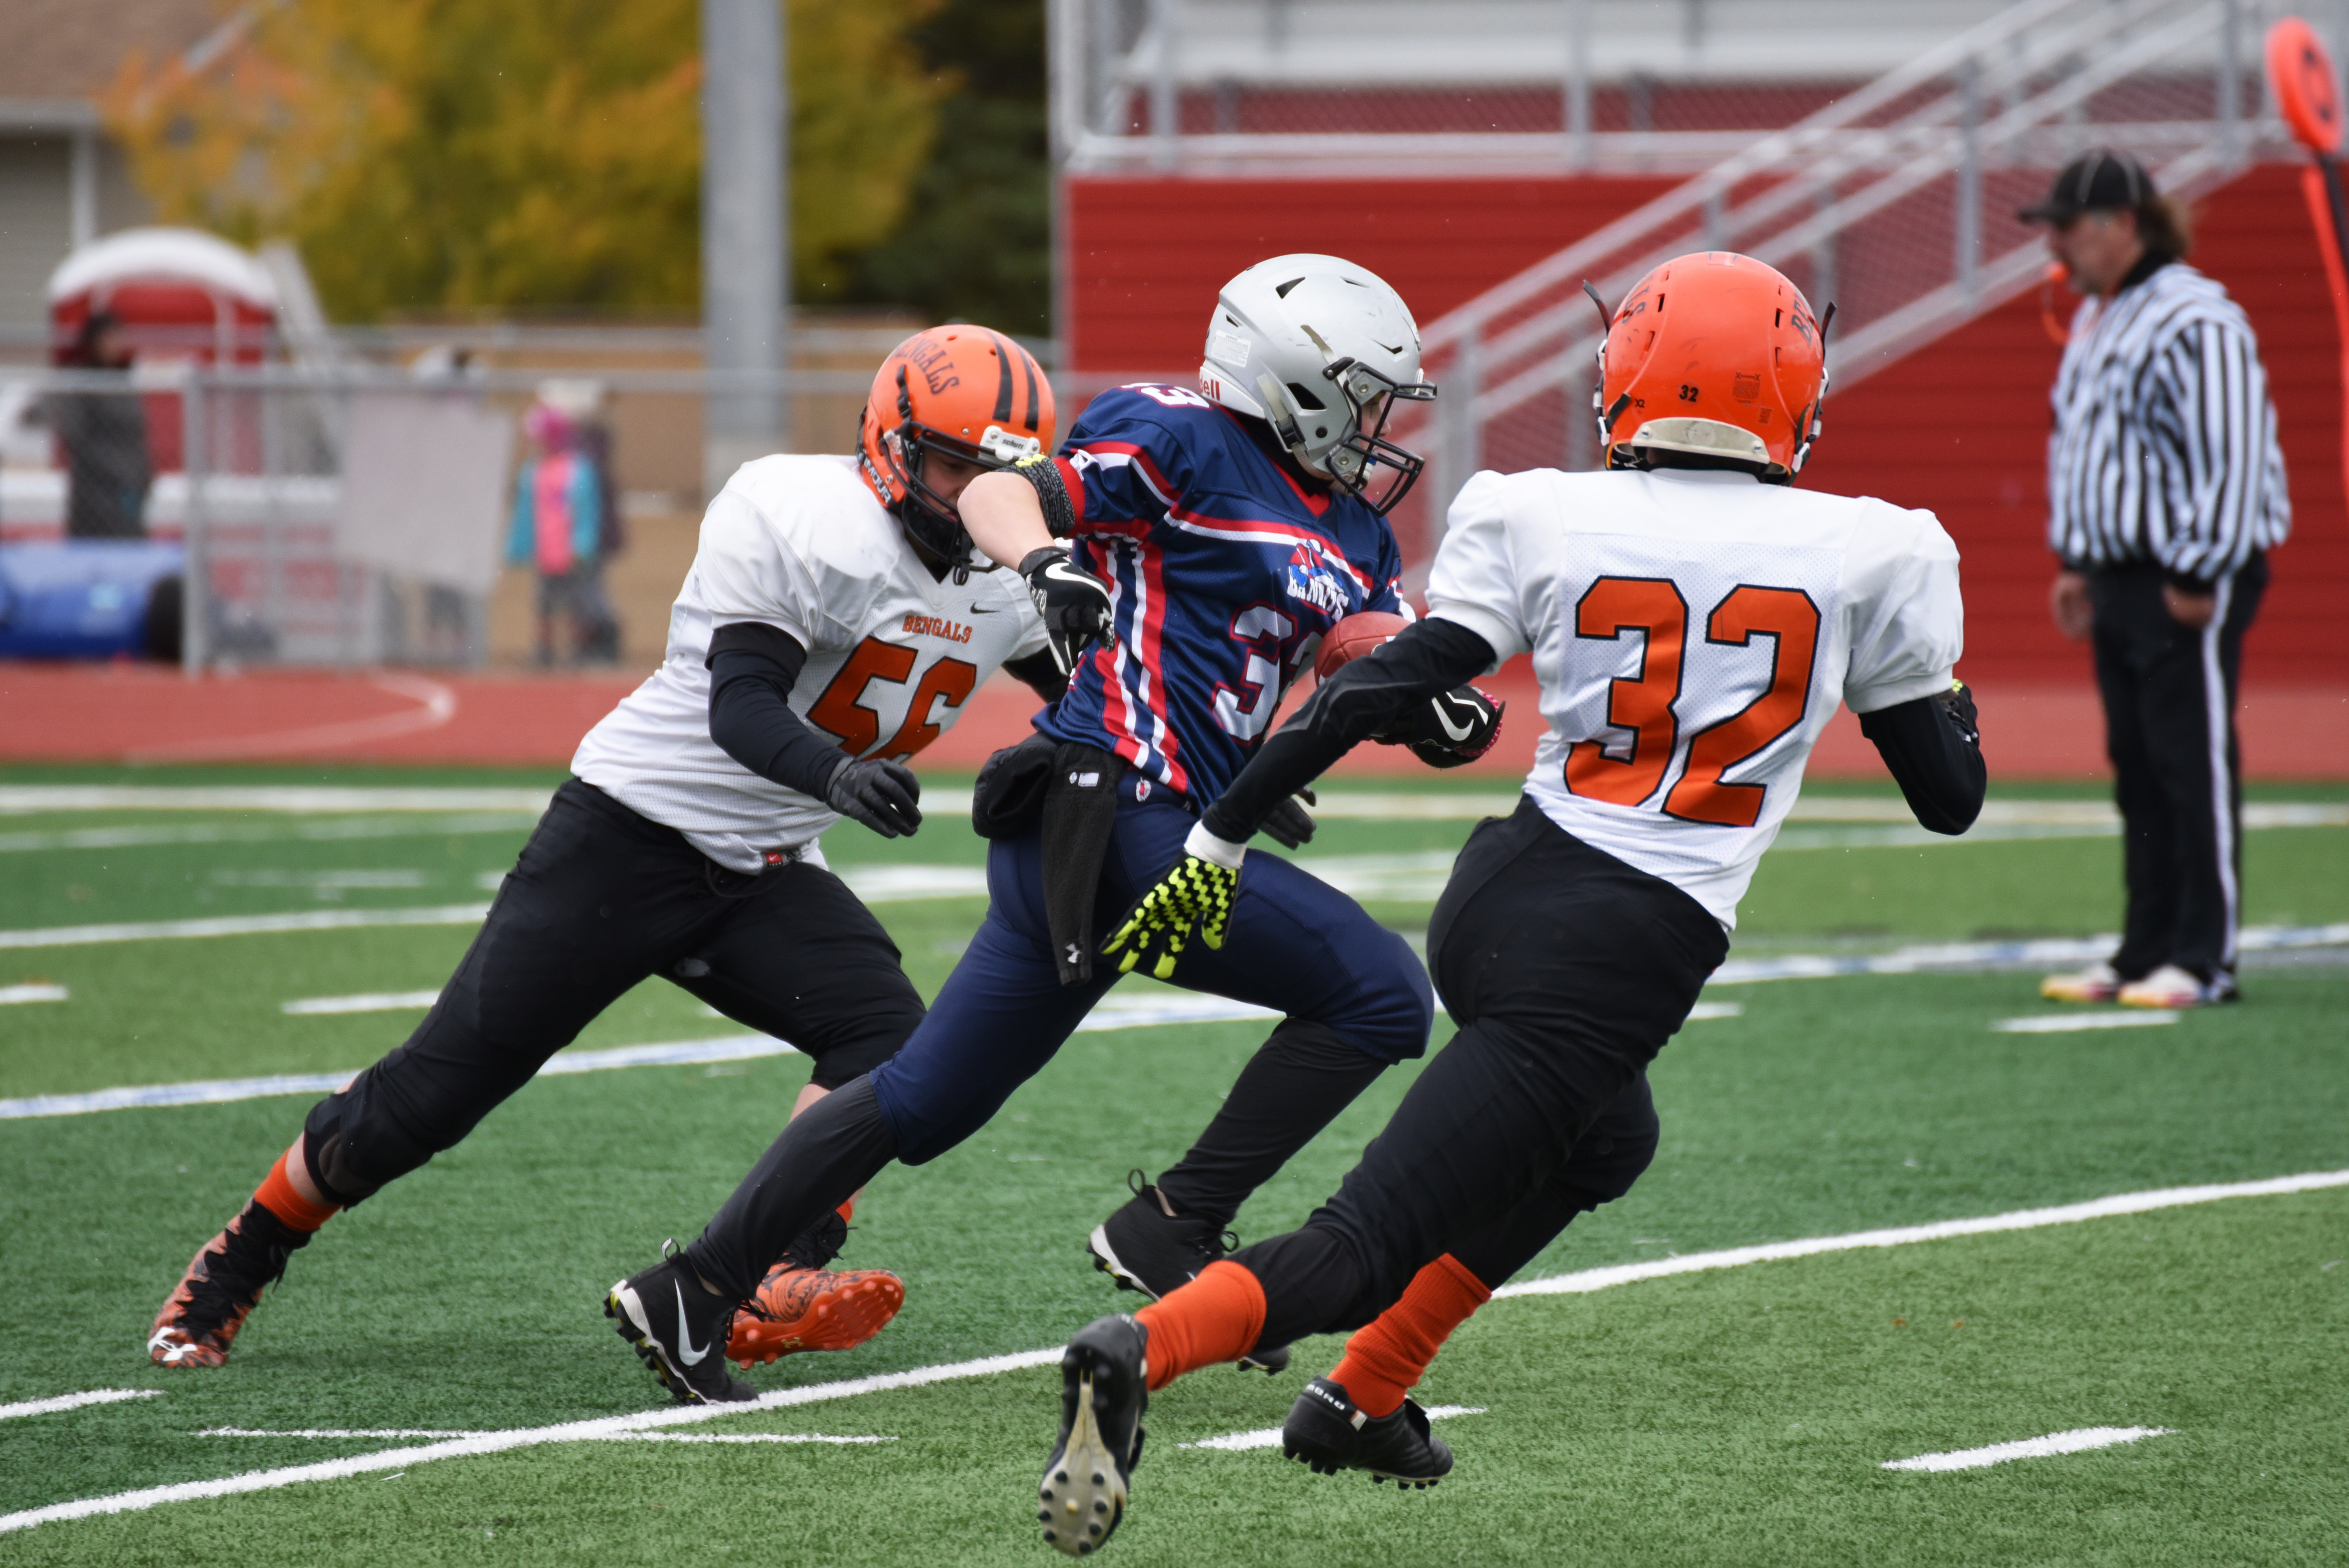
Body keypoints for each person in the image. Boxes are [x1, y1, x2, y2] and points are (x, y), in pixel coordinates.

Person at [1028, 251, 1987, 1556]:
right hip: (1620, 947)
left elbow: (1370, 691)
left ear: (1623, 380)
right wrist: (1931, 683)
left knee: (1605, 1142)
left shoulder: (1543, 510)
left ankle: (1361, 1398)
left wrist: (1222, 828)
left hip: (1500, 893)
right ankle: (1135, 1350)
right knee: (1362, 1244)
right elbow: (1948, 798)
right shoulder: (1876, 547)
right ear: (1793, 397)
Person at [603, 253, 1506, 1406]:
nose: (1376, 426)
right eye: (1363, 396)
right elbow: (999, 492)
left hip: (1115, 829)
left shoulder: (1352, 529)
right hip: (1116, 813)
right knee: (1380, 994)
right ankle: (1174, 1221)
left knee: (924, 1096)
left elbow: (1359, 645)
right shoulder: (1181, 437)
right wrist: (1042, 559)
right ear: (1294, 382)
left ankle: (694, 1285)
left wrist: (1430, 699)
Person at [148, 327, 1072, 1372]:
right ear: (891, 446)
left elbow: (1097, 695)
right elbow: (741, 703)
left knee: (893, 1042)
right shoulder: (802, 513)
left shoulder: (1016, 571)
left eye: (1000, 474)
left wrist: (1103, 755)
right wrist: (835, 776)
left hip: (765, 866)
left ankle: (766, 1270)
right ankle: (241, 1257)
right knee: (434, 1095)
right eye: (954, 465)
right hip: (630, 833)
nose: (976, 497)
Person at [2025, 151, 2291, 1011]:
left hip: (2182, 575)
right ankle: (2143, 950)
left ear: (2123, 224)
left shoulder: (2193, 315)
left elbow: (2232, 446)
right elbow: (2086, 448)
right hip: (2118, 574)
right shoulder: (2100, 317)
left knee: (2189, 760)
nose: (2055, 244)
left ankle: (2203, 957)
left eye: (2068, 226)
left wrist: (2198, 564)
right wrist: (2076, 559)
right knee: (2136, 767)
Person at [506, 393, 609, 666]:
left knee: (578, 606)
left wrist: (583, 544)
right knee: (545, 605)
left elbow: (587, 511)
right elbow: (526, 514)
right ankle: (545, 650)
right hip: (546, 554)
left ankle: (578, 650)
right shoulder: (533, 471)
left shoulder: (578, 469)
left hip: (572, 554)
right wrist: (519, 547)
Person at [41, 310, 152, 539]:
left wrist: (143, 475)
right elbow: (77, 436)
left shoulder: (123, 382)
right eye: (109, 338)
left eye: (118, 337)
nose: (115, 345)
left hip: (129, 490)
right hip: (95, 491)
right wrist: (118, 470)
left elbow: (138, 434)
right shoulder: (81, 382)